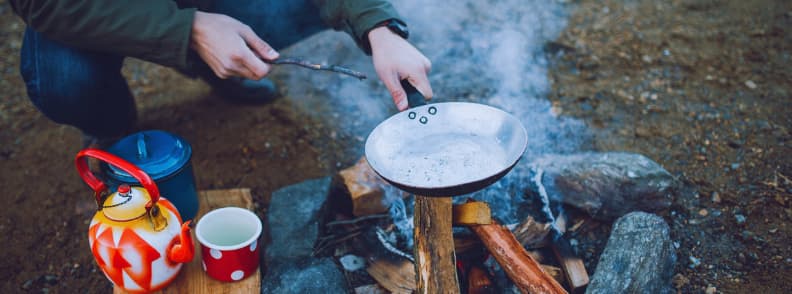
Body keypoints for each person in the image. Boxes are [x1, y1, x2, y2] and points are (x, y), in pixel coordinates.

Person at [10, 0, 433, 146]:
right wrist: (187, 29)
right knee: (66, 81)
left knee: (292, 7)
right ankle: (111, 127)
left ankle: (223, 67)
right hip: (92, 11)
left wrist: (379, 27)